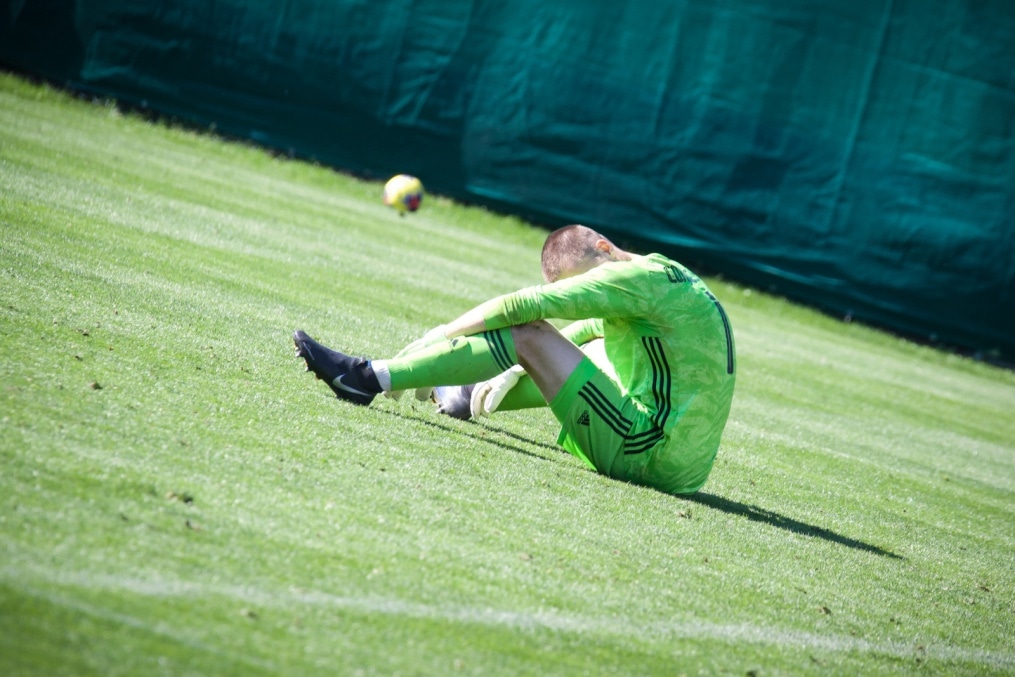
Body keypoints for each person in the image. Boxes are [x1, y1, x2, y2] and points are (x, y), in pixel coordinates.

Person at [293, 224, 736, 495]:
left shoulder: (625, 280)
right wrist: (521, 366)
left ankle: (367, 378)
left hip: (648, 454)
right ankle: (465, 395)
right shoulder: (662, 273)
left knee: (528, 334)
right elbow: (588, 329)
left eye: (580, 284)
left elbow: (523, 309)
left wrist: (440, 335)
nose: (580, 295)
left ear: (603, 247)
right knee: (581, 344)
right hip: (684, 465)